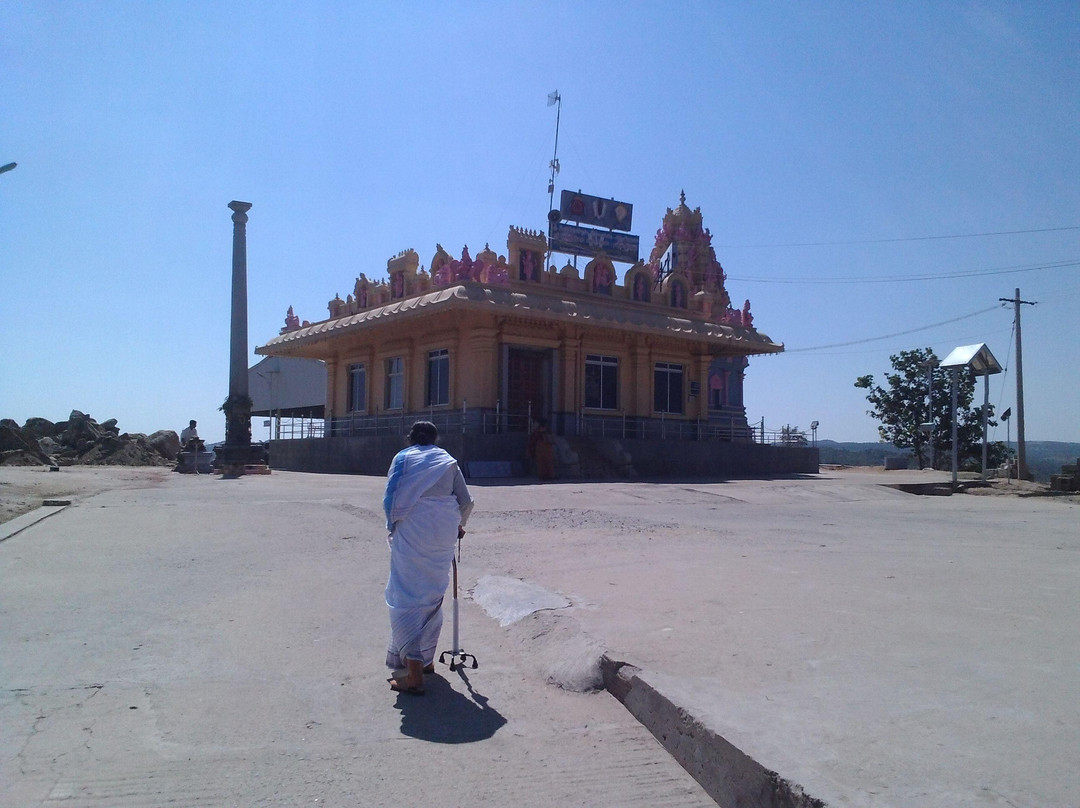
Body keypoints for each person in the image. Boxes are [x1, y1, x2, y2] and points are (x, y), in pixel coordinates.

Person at [383, 421, 474, 695]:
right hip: (443, 531)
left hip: (413, 530)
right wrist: (458, 525)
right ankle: (426, 661)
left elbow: (391, 500)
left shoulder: (404, 458)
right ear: (435, 439)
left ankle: (412, 675)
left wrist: (393, 525)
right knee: (433, 593)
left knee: (407, 595)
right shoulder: (448, 461)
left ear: (410, 438)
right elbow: (466, 502)